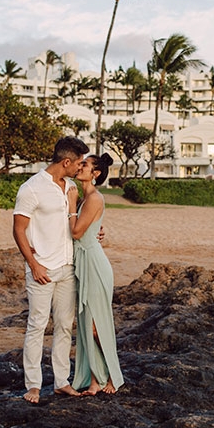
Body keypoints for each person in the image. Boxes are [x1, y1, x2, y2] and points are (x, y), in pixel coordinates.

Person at [12, 136, 89, 404]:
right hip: (42, 268)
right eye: (78, 163)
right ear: (66, 162)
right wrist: (33, 265)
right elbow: (18, 229)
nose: (80, 167)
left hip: (67, 267)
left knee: (65, 326)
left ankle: (61, 382)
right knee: (37, 325)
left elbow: (75, 224)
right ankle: (33, 385)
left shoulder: (71, 187)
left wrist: (95, 232)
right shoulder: (31, 188)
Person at [67, 153, 124, 395]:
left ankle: (112, 376)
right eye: (80, 163)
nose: (80, 167)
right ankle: (93, 380)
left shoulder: (93, 198)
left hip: (94, 265)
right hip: (84, 262)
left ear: (95, 173)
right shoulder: (84, 198)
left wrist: (71, 205)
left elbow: (77, 232)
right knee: (85, 324)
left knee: (96, 325)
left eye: (85, 164)